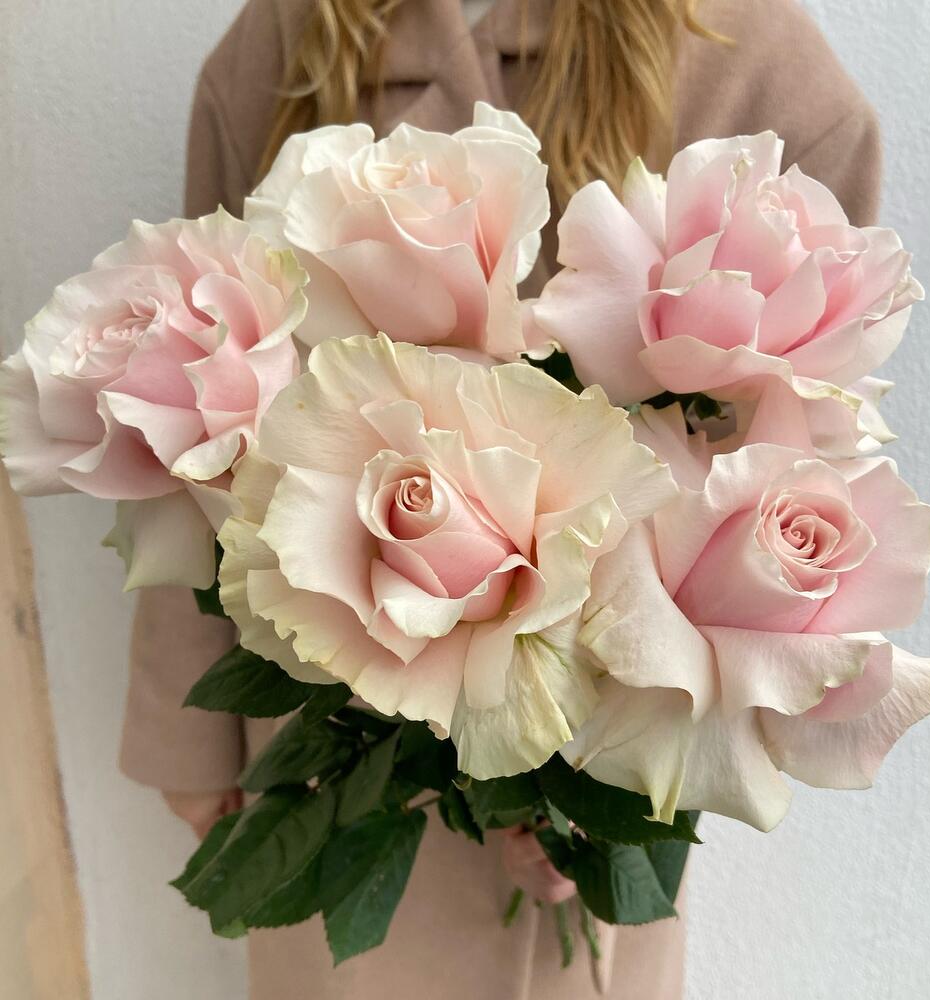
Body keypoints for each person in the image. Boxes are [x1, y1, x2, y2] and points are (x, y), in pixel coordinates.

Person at [120, 1, 882, 996]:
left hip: (591, 756)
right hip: (342, 707)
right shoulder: (290, 35)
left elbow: (808, 466)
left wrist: (606, 796)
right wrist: (187, 739)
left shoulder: (745, 56)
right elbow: (190, 417)